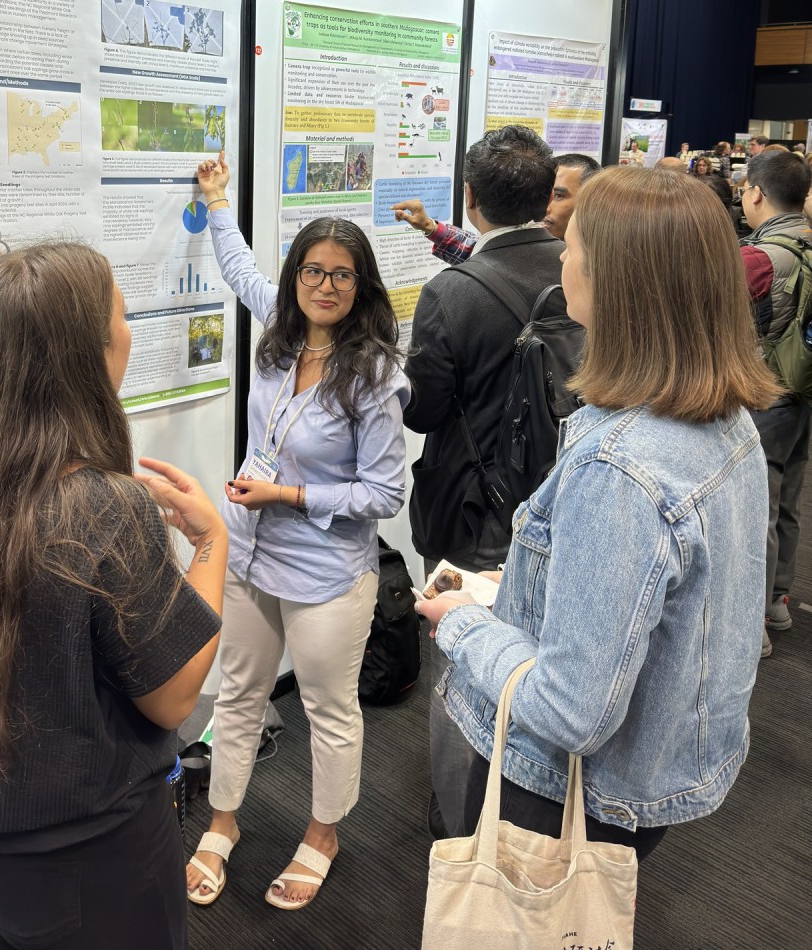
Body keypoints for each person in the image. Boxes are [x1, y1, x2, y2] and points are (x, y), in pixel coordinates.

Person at [0, 243, 227, 949]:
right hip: (82, 853)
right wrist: (212, 543)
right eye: (122, 317)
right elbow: (175, 696)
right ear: (89, 355)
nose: (129, 331)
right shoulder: (100, 506)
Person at [417, 166, 780, 860]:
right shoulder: (724, 421)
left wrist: (462, 625)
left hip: (559, 796)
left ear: (619, 282)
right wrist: (522, 591)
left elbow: (570, 710)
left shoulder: (620, 466)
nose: (561, 259)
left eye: (574, 246)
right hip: (648, 773)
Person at [185, 152, 408, 911]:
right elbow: (240, 269)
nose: (324, 286)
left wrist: (287, 493)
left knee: (326, 710)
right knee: (239, 694)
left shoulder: (374, 375)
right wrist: (218, 199)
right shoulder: (281, 334)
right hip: (251, 556)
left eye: (342, 275)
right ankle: (222, 823)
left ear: (361, 285)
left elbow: (386, 492)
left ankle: (322, 835)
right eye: (312, 271)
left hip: (326, 573)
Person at [403, 125, 566, 838]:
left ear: (470, 198)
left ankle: (460, 818)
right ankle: (531, 792)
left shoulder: (451, 293)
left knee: (463, 646)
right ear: (547, 196)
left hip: (475, 507)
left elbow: (424, 410)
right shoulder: (579, 268)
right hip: (559, 490)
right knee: (542, 645)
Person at [738, 150, 812, 655]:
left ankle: (754, 627)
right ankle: (778, 602)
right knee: (788, 499)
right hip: (802, 390)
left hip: (765, 392)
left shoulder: (759, 258)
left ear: (757, 193)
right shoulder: (807, 240)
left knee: (756, 510)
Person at [390, 153, 599, 259]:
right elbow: (486, 253)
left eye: (559, 196)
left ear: (590, 201)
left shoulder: (596, 266)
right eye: (545, 194)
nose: (547, 205)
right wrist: (431, 227)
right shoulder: (528, 250)